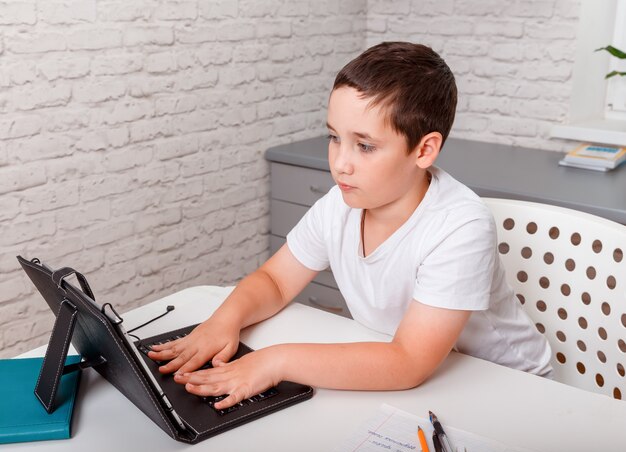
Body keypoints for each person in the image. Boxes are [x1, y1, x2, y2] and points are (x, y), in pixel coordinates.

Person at [149, 41, 553, 410]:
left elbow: (409, 362)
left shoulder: (461, 225)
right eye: (334, 137)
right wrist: (224, 321)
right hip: (417, 380)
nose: (341, 163)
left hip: (510, 391)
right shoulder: (342, 202)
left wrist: (274, 362)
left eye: (364, 145)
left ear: (424, 149)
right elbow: (276, 281)